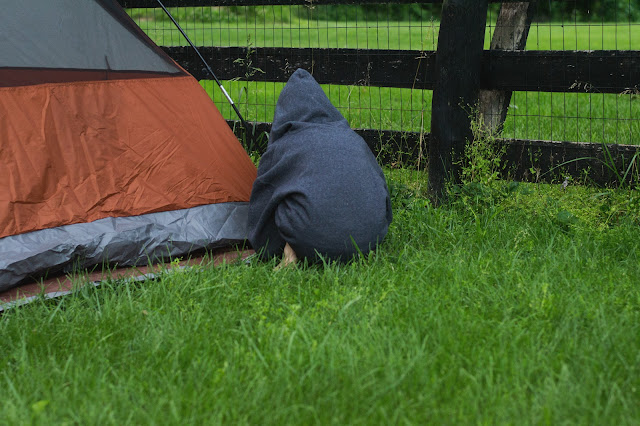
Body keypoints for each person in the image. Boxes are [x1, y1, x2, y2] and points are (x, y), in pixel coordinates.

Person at [248, 69, 392, 267]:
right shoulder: (354, 139)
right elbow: (381, 188)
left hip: (311, 239)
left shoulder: (285, 146)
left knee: (281, 198)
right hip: (370, 238)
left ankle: (292, 254)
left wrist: (266, 246)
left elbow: (263, 201)